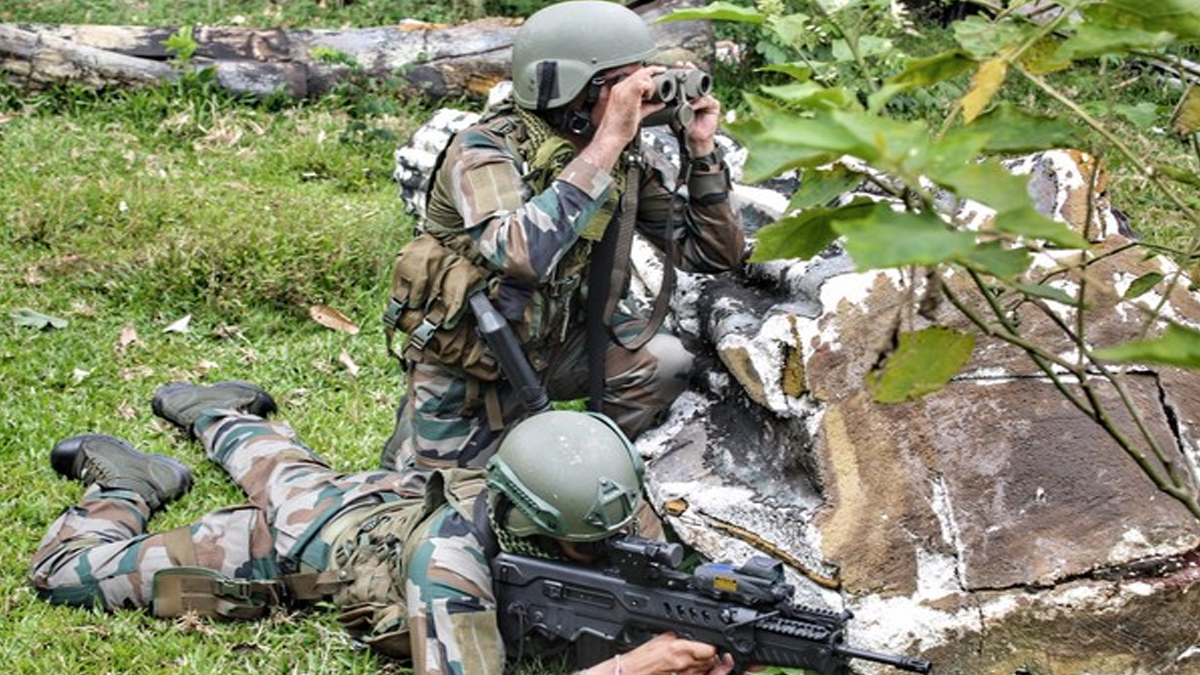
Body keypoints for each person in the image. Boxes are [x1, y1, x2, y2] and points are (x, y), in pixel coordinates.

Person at [30, 381, 735, 675]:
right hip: (310, 549)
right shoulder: (450, 560)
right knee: (64, 575)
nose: (609, 548)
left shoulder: (602, 499)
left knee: (287, 470)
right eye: (584, 545)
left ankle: (220, 406)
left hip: (382, 494)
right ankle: (130, 482)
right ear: (530, 520)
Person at [381, 0, 745, 482]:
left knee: (664, 363)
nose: (635, 100)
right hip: (470, 363)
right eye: (621, 85)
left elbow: (713, 254)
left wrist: (702, 150)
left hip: (557, 340)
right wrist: (608, 142)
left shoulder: (619, 155)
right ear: (568, 88)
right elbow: (519, 253)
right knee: (438, 501)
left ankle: (587, 468)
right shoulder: (484, 148)